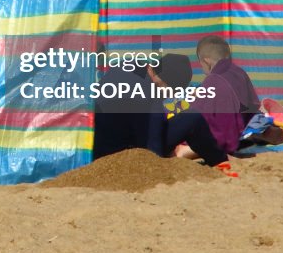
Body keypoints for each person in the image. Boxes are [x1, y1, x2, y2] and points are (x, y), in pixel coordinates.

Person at [92, 53, 229, 167]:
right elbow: (153, 143)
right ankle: (220, 162)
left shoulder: (124, 66)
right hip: (124, 154)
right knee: (193, 118)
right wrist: (157, 165)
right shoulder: (151, 94)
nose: (168, 96)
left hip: (96, 148)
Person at [189, 35, 262, 156]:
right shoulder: (240, 72)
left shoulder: (213, 80)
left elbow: (199, 115)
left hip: (225, 137)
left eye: (201, 64)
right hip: (243, 130)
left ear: (206, 61)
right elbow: (253, 105)